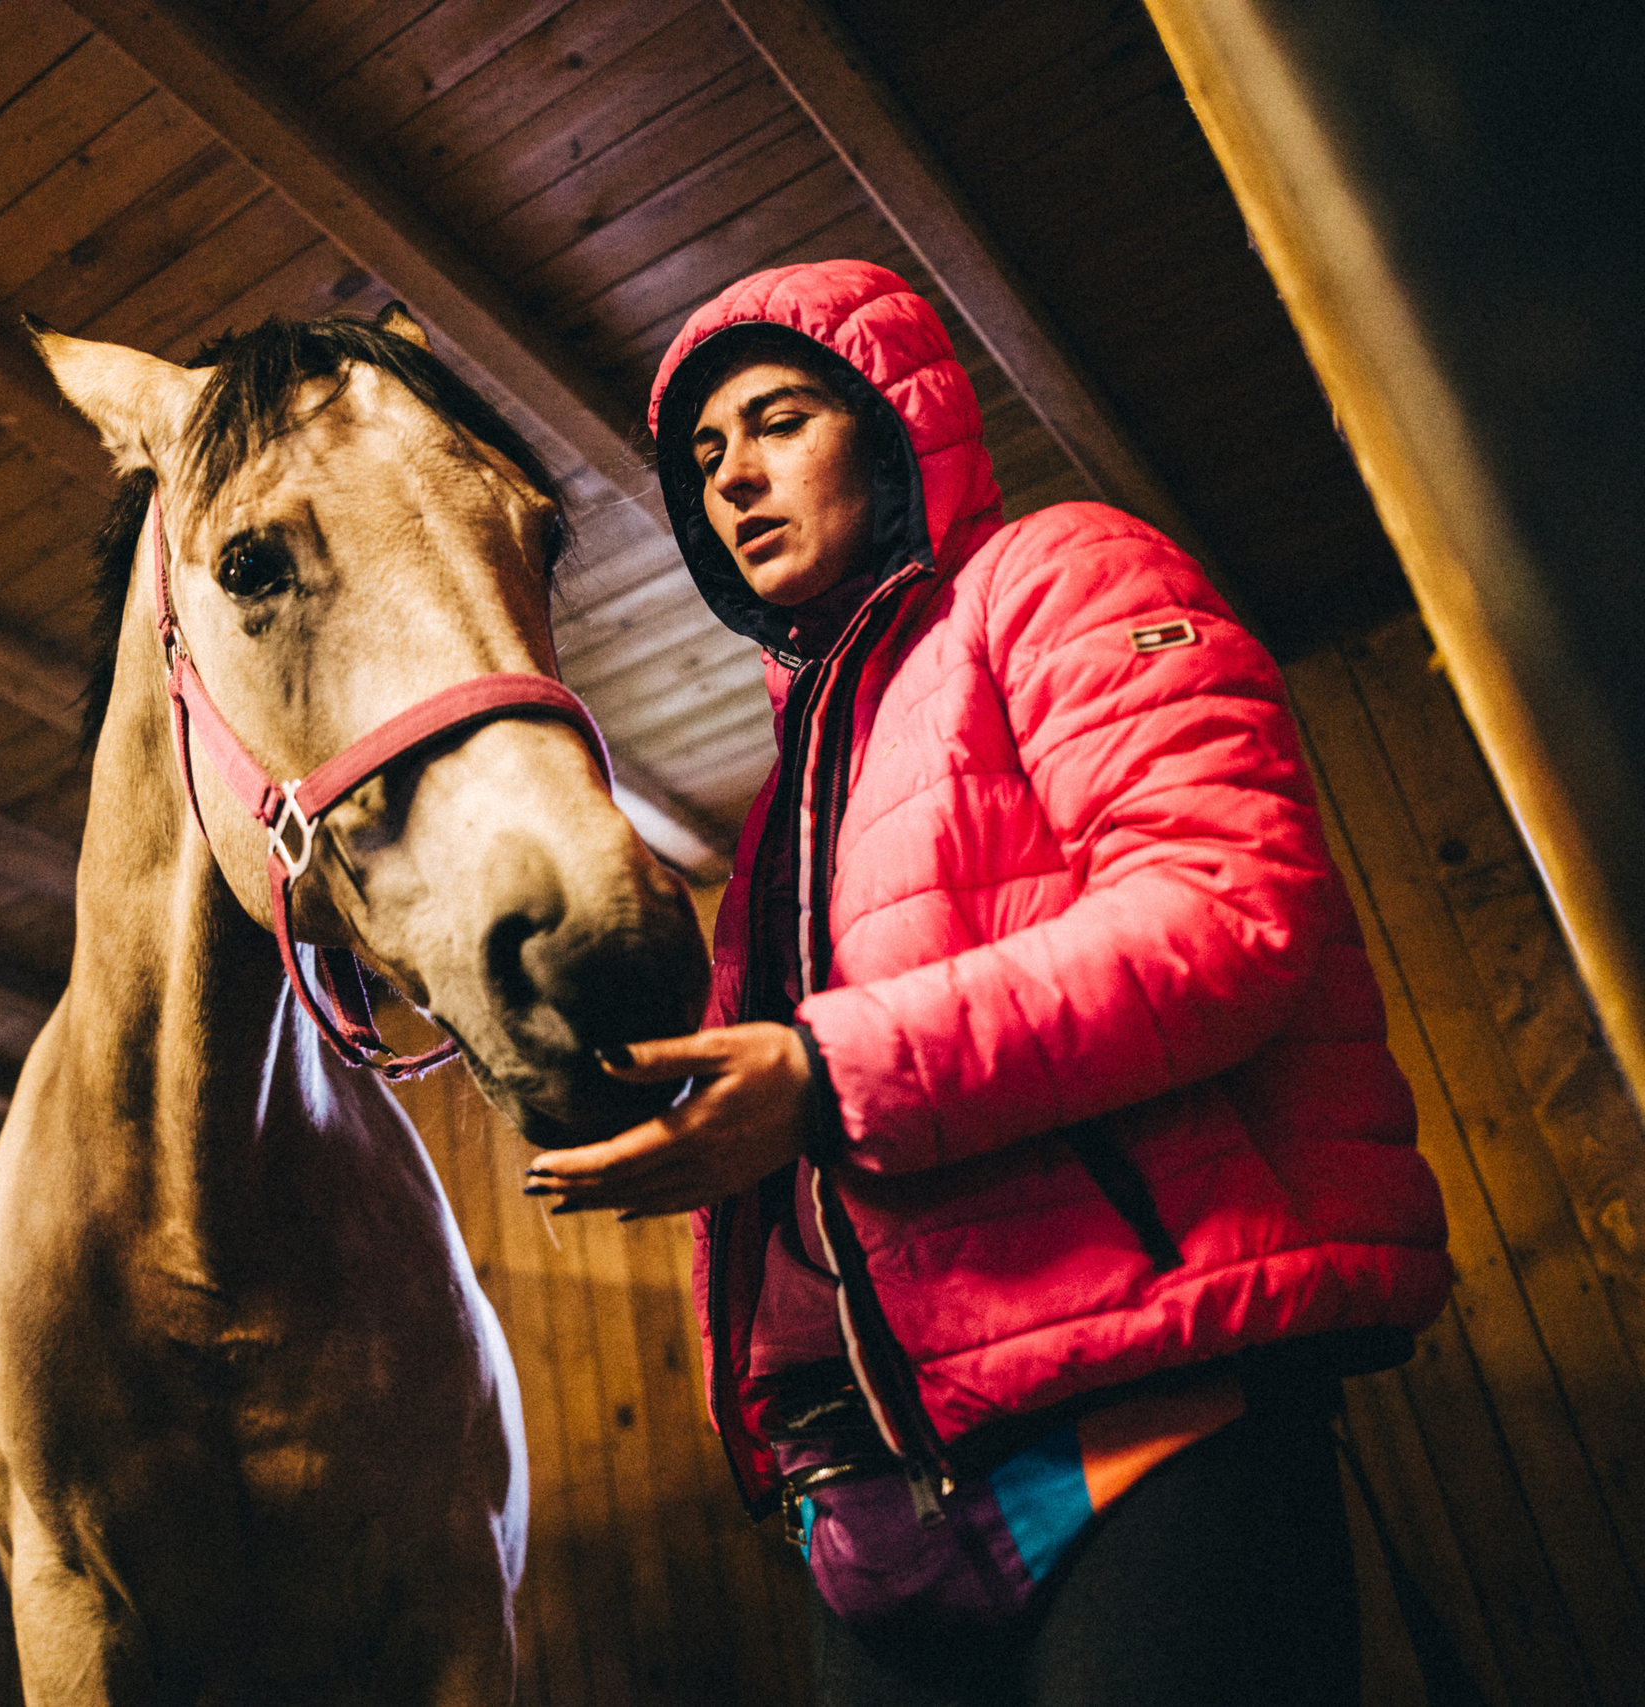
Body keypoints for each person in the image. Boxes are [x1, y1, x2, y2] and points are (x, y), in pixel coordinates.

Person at [523, 260, 1453, 1706]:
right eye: (703, 458)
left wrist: (824, 1077)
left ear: (892, 429)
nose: (734, 479)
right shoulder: (791, 789)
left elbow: (1225, 912)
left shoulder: (1059, 574)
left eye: (779, 421)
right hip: (873, 1483)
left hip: (1144, 1421)